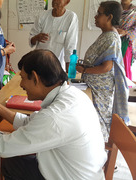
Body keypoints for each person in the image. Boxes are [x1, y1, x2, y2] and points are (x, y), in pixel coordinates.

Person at [0, 49, 107, 180]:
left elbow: (1, 146)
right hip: (81, 171)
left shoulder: (54, 117)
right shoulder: (72, 94)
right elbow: (29, 122)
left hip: (70, 176)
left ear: (35, 78)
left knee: (10, 157)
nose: (21, 84)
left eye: (22, 78)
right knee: (13, 162)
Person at [76, 1, 129, 142]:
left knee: (97, 125)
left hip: (100, 91)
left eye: (99, 13)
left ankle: (99, 155)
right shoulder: (106, 35)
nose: (95, 16)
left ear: (109, 17)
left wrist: (84, 69)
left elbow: (107, 67)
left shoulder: (111, 37)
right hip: (93, 87)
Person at [29, 0, 78, 72]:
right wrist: (36, 38)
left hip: (57, 66)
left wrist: (69, 72)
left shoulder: (71, 17)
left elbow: (70, 46)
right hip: (39, 62)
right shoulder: (42, 15)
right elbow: (31, 40)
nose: (55, 0)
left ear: (66, 2)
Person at [116, 0, 136, 80]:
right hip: (112, 39)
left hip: (126, 42)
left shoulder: (134, 11)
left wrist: (125, 32)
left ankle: (125, 88)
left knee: (124, 66)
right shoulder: (115, 8)